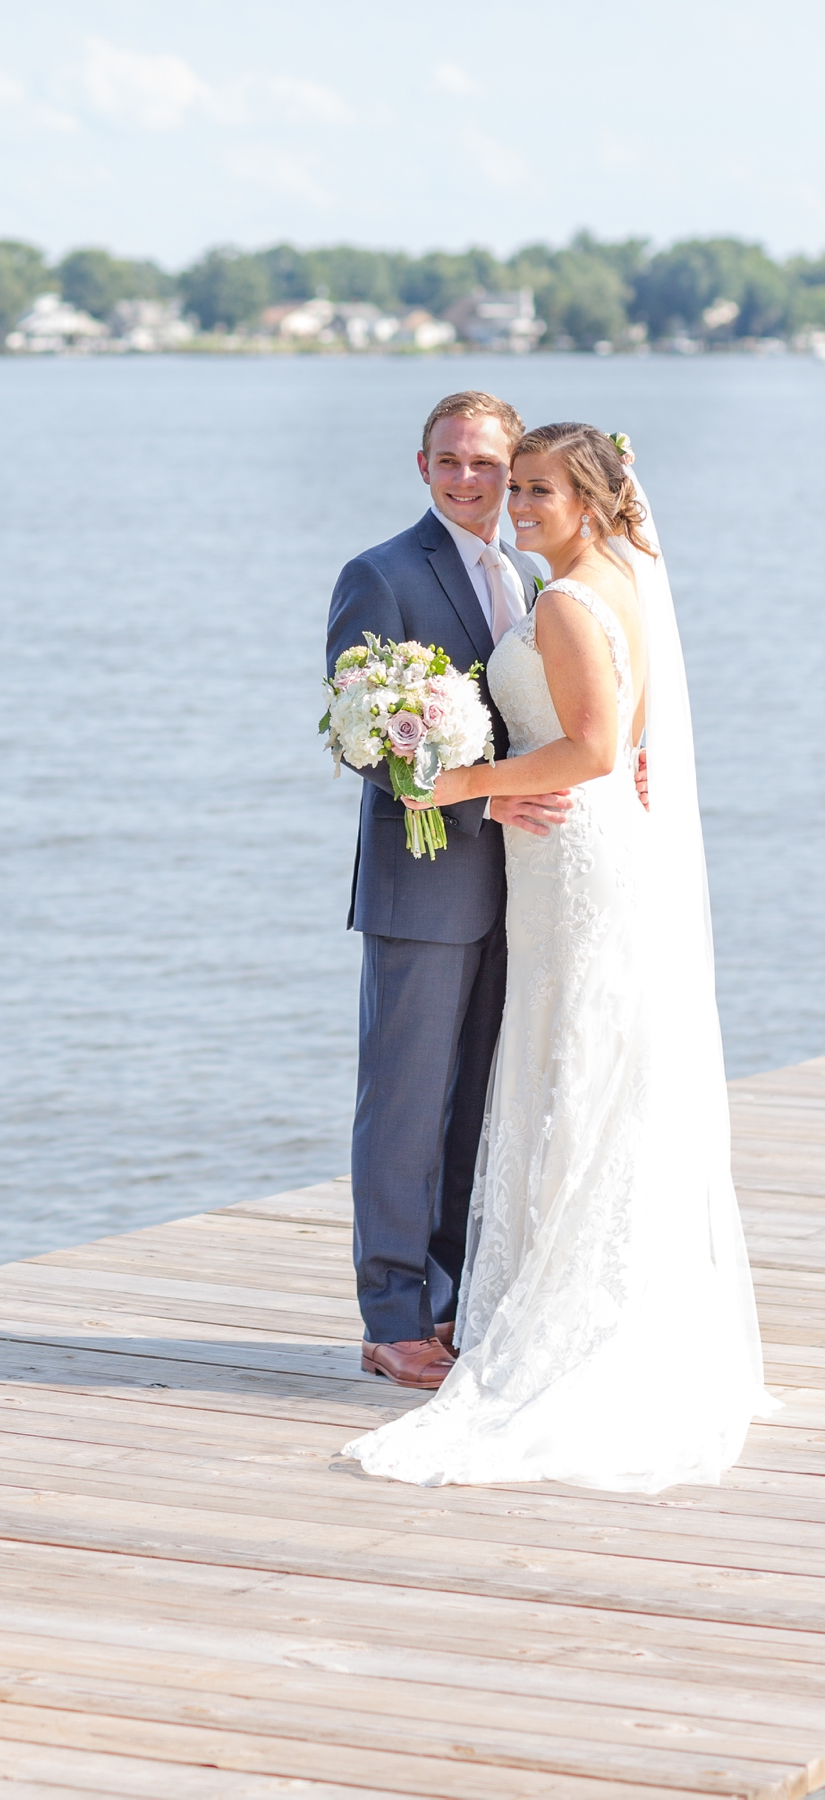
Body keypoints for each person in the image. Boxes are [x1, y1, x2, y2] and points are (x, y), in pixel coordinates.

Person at [343, 425, 770, 1491]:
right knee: (566, 1074)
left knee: (572, 1074)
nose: (513, 500)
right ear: (428, 467)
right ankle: (474, 1306)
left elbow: (589, 742)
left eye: (534, 486)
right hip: (550, 866)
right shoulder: (605, 575)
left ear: (587, 497)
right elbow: (609, 736)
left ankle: (572, 1316)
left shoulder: (570, 598)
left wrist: (457, 786)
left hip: (567, 858)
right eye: (502, 480)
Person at [327, 391, 559, 1390]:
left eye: (489, 465)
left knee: (478, 1108)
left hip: (527, 885)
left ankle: (454, 1301)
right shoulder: (379, 575)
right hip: (424, 883)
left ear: (516, 473)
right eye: (452, 461)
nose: (470, 480)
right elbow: (363, 739)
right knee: (406, 1108)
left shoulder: (533, 580)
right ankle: (391, 1317)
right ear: (421, 465)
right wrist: (481, 808)